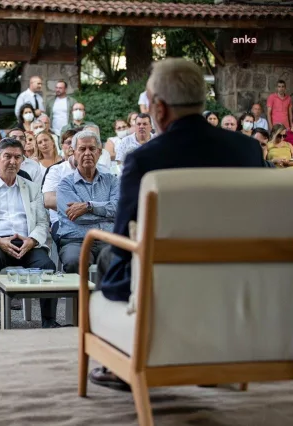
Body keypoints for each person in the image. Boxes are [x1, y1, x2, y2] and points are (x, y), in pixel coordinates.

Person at [93, 57, 264, 390]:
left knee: (105, 256)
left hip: (163, 286)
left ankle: (122, 361)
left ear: (159, 108)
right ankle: (213, 358)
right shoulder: (247, 150)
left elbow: (122, 237)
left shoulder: (144, 159)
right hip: (235, 285)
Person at [0, 138, 58, 329]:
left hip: (27, 243)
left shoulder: (31, 187)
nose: (13, 161)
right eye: (7, 156)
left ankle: (49, 321)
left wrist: (32, 240)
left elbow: (42, 222)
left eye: (18, 157)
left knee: (47, 265)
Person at [56, 130, 119, 272]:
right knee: (74, 262)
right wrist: (104, 212)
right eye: (82, 149)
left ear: (100, 152)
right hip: (76, 241)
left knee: (119, 261)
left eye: (92, 148)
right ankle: (81, 296)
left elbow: (118, 209)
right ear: (74, 152)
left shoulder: (112, 181)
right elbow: (76, 217)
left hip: (108, 240)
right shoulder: (65, 185)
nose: (87, 153)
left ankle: (106, 295)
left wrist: (88, 206)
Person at [43, 131, 79, 246]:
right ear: (62, 146)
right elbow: (48, 201)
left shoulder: (99, 170)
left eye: (76, 143)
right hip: (62, 220)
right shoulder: (55, 170)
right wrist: (83, 207)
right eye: (69, 142)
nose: (72, 146)